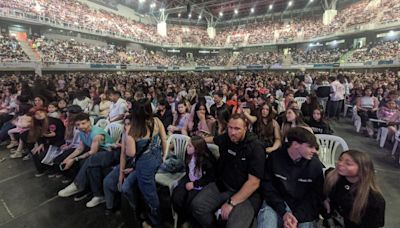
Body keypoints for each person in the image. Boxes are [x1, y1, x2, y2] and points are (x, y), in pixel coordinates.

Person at [192, 113, 265, 228]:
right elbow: (214, 139)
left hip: (247, 193)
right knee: (197, 206)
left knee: (235, 225)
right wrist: (198, 140)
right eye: (230, 128)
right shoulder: (227, 138)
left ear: (245, 128)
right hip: (224, 185)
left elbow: (254, 183)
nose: (233, 132)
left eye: (237, 129)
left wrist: (232, 202)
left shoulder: (256, 147)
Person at [257, 127, 324, 228]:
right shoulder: (274, 158)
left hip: (302, 209)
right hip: (276, 204)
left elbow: (314, 197)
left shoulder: (315, 166)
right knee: (267, 220)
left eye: (315, 148)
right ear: (296, 144)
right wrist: (284, 212)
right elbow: (268, 188)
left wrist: (296, 217)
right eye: (310, 147)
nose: (314, 151)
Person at [57, 113, 115, 207]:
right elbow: (80, 148)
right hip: (97, 154)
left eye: (83, 123)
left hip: (108, 153)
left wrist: (74, 159)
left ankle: (78, 184)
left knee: (90, 160)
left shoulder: (97, 134)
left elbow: (93, 152)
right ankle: (98, 195)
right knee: (91, 167)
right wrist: (68, 159)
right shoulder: (82, 133)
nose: (81, 126)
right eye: (78, 125)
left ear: (89, 122)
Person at [323, 150, 385, 228]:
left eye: (348, 164)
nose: (340, 163)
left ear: (362, 170)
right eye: (340, 159)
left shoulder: (374, 200)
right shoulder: (334, 178)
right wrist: (325, 200)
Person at [171, 136, 216, 227]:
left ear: (197, 149)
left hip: (201, 183)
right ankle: (182, 218)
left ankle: (189, 222)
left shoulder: (207, 161)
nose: (187, 147)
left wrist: (195, 184)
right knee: (177, 197)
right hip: (189, 178)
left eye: (190, 146)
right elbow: (188, 170)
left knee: (191, 201)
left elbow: (210, 178)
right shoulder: (188, 154)